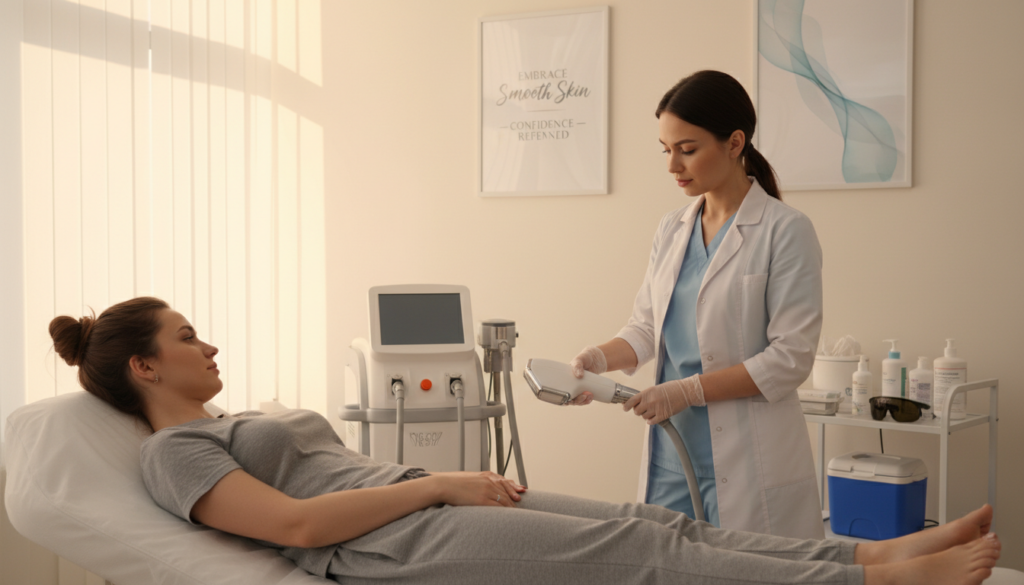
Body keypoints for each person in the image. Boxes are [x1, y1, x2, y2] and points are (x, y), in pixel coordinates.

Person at [48, 297, 1002, 585]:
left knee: (649, 526)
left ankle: (870, 547)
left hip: (425, 498)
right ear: (142, 367)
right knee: (637, 553)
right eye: (184, 336)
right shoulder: (172, 454)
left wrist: (443, 480)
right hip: (394, 542)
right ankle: (874, 582)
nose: (207, 340)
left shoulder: (224, 421)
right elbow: (298, 527)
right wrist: (436, 489)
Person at [568, 70, 824, 537]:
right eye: (666, 150)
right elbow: (646, 329)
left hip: (750, 458)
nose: (673, 166)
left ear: (734, 143)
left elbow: (790, 359)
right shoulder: (672, 228)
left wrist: (686, 391)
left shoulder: (785, 231)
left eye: (687, 150)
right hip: (673, 449)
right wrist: (598, 359)